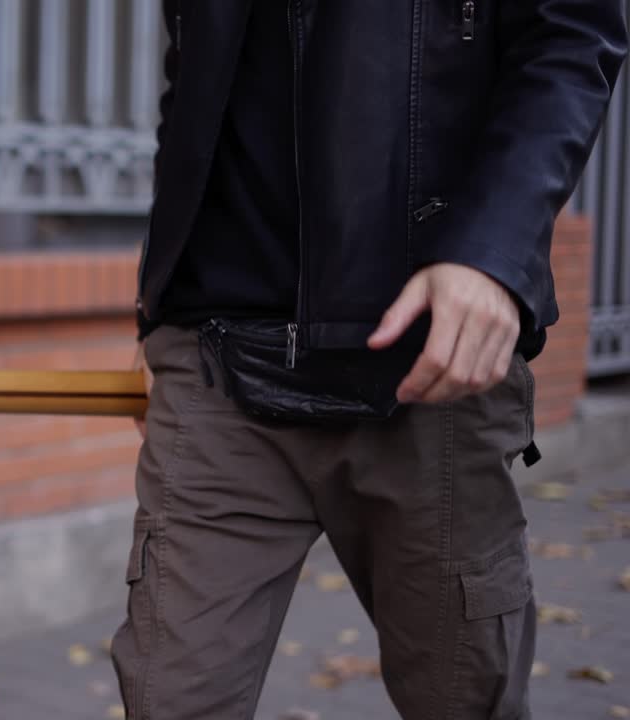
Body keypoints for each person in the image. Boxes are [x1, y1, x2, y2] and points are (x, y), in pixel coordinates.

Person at [111, 1, 628, 718]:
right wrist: (159, 301)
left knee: (465, 700)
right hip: (218, 361)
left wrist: (494, 252)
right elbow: (192, 76)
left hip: (429, 364)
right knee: (170, 700)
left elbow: (570, 40)